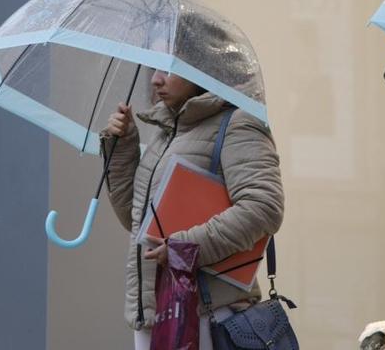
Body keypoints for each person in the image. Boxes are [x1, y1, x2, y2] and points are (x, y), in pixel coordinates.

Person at [101, 69, 284, 350]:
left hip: (208, 314)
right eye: (155, 70)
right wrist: (123, 146)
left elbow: (263, 207)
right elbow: (136, 220)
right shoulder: (167, 134)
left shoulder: (237, 122)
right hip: (155, 315)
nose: (155, 80)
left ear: (199, 70)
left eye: (169, 70)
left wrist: (183, 249)